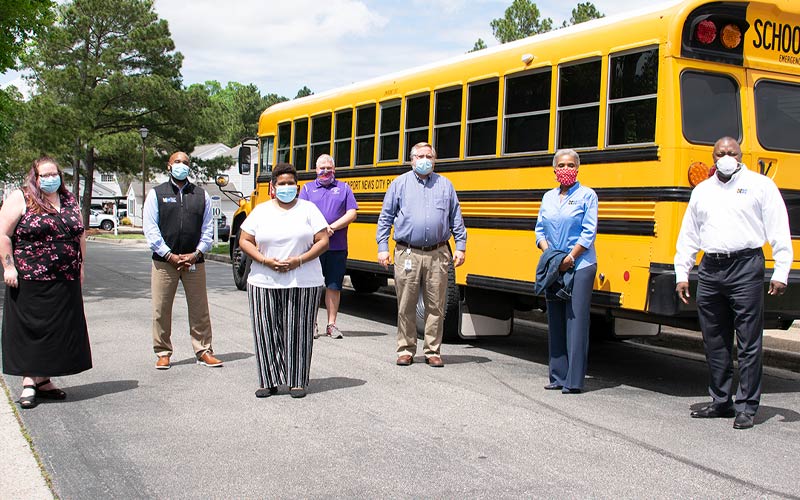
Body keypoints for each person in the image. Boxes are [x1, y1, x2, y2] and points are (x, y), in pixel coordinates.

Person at [675, 136, 792, 430]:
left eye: (732, 152)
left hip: (745, 266)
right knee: (715, 338)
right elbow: (689, 233)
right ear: (712, 157)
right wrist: (682, 272)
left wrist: (781, 271)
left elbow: (779, 227)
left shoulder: (760, 185)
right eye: (720, 153)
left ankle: (747, 407)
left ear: (740, 155)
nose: (726, 156)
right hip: (711, 267)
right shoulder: (702, 191)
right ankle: (720, 400)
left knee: (749, 340)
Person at [0, 156, 92, 409]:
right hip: (31, 277)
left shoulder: (70, 199)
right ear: (35, 177)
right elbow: (3, 234)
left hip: (65, 277)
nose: (51, 179)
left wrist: (81, 264)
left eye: (55, 174)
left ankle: (44, 381)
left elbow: (79, 234)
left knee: (57, 331)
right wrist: (9, 267)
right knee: (31, 330)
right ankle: (29, 381)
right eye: (45, 175)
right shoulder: (21, 198)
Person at [238, 163, 329, 398]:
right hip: (264, 280)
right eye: (282, 183)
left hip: (303, 280)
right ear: (273, 186)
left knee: (298, 329)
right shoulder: (261, 211)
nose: (286, 187)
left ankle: (296, 380)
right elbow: (245, 240)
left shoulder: (308, 209)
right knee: (265, 329)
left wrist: (299, 260)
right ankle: (268, 380)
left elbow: (322, 241)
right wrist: (265, 260)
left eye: (290, 183)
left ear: (297, 186)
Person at [376, 142, 467, 368]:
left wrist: (461, 246)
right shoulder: (399, 184)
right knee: (406, 304)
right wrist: (382, 247)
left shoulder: (445, 185)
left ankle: (433, 350)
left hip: (438, 253)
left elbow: (456, 218)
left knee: (436, 305)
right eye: (420, 156)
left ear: (434, 160)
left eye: (429, 156)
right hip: (407, 252)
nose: (425, 160)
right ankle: (406, 349)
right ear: (412, 159)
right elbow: (385, 217)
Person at [143, 151, 222, 370]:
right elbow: (150, 229)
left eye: (185, 163)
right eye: (177, 162)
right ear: (169, 166)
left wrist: (196, 253)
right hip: (164, 262)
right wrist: (168, 254)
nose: (181, 165)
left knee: (199, 309)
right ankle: (163, 352)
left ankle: (204, 350)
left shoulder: (200, 195)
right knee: (161, 309)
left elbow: (207, 231)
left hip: (194, 260)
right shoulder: (156, 194)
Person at [534, 149, 598, 394]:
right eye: (561, 165)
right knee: (556, 320)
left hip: (580, 265)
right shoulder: (548, 197)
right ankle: (557, 375)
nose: (566, 169)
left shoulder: (587, 196)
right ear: (554, 170)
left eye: (571, 165)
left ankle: (573, 380)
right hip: (554, 264)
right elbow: (539, 230)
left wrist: (570, 258)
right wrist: (551, 255)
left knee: (576, 321)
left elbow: (588, 232)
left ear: (578, 169)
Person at [299, 154, 358, 339]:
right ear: (316, 170)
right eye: (321, 168)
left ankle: (331, 324)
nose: (325, 171)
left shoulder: (344, 188)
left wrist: (332, 227)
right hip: (313, 247)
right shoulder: (307, 189)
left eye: (328, 167)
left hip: (337, 247)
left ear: (334, 169)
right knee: (313, 286)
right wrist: (319, 230)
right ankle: (312, 323)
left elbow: (352, 213)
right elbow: (301, 214)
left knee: (334, 285)